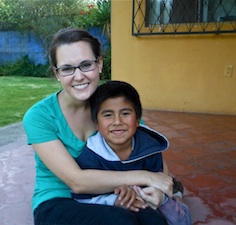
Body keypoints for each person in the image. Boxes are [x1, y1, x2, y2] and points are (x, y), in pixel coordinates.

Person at [23, 27, 173, 225]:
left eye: (86, 65)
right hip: (58, 200)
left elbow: (152, 157)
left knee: (154, 221)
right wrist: (144, 176)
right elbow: (76, 182)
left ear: (100, 64)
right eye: (67, 69)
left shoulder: (114, 107)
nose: (78, 76)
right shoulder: (40, 116)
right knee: (120, 221)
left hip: (113, 193)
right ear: (56, 73)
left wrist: (157, 189)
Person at [72, 80, 192, 225]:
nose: (117, 121)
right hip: (115, 210)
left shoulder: (150, 149)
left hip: (148, 204)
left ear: (137, 120)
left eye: (125, 113)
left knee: (167, 219)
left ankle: (177, 194)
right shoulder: (90, 156)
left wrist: (162, 198)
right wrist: (115, 199)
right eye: (108, 115)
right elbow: (82, 199)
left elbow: (160, 186)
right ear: (96, 124)